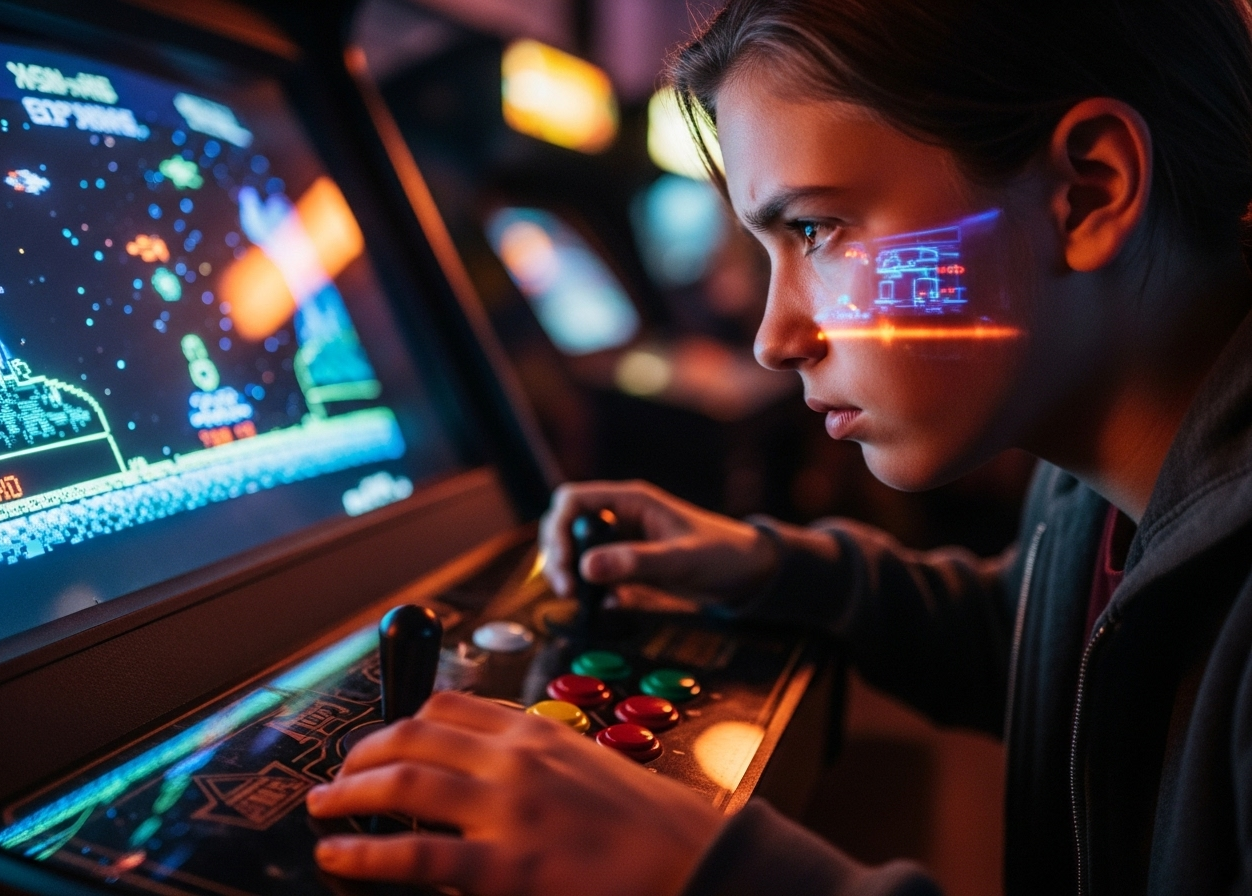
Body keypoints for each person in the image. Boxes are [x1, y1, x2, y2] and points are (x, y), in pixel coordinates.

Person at [306, 0, 1252, 892]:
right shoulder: (1095, 484)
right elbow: (1056, 645)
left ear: (1088, 192)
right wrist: (764, 565)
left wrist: (705, 867)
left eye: (818, 229)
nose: (774, 336)